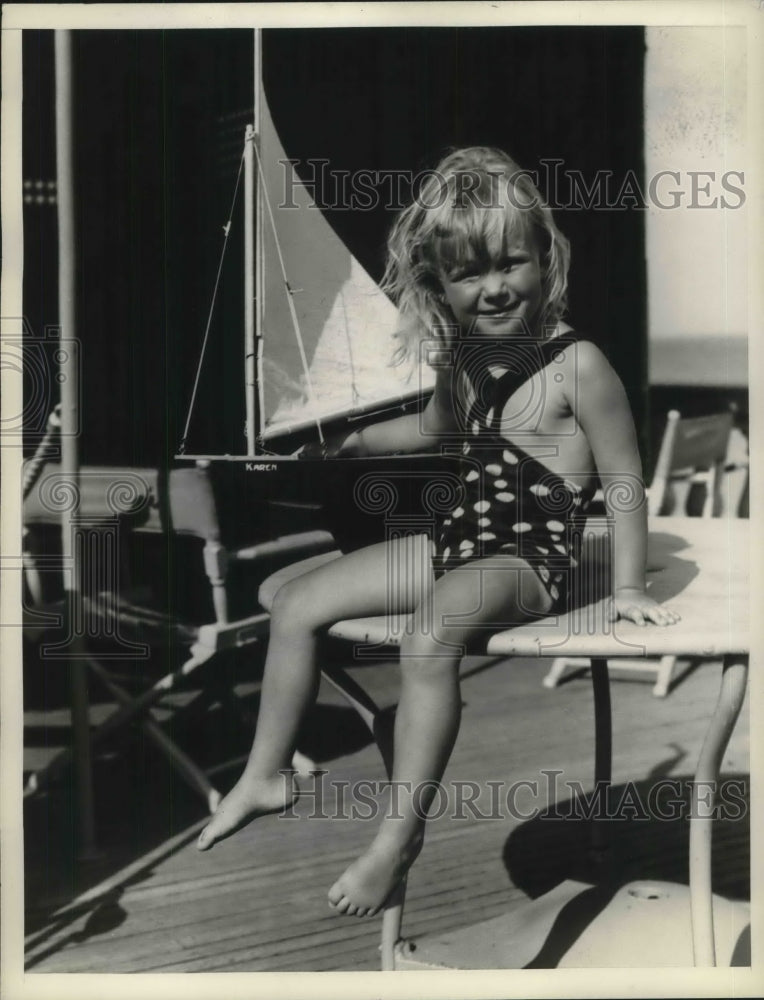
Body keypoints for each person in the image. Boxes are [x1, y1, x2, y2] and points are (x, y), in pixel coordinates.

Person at [196, 146, 679, 917]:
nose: (492, 288)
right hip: (459, 540)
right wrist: (343, 445)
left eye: (510, 263)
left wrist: (623, 588)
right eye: (467, 274)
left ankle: (396, 840)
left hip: (526, 559)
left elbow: (623, 478)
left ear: (543, 259)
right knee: (296, 602)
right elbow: (424, 430)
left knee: (429, 637)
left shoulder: (578, 365)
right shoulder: (464, 362)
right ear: (440, 286)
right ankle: (267, 772)